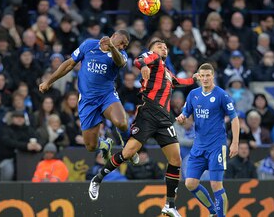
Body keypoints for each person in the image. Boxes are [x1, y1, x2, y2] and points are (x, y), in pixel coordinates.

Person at [89, 39, 197, 217]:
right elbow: (139, 61)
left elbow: (179, 81)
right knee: (128, 152)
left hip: (164, 119)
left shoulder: (167, 71)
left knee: (176, 160)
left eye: (165, 46)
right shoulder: (152, 58)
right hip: (148, 113)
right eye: (159, 45)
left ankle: (170, 205)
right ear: (152, 49)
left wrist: (194, 78)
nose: (164, 47)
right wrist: (144, 65)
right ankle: (98, 178)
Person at [39, 30, 131, 164]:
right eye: (122, 43)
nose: (123, 47)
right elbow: (69, 64)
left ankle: (128, 148)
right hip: (87, 100)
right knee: (91, 146)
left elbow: (120, 63)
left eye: (125, 45)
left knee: (122, 123)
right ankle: (104, 145)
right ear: (114, 36)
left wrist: (112, 47)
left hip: (107, 96)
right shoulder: (89, 45)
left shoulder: (121, 54)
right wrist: (49, 81)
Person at [176, 63, 240, 217]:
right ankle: (213, 212)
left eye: (208, 75)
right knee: (190, 183)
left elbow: (235, 119)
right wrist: (181, 118)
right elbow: (185, 114)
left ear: (213, 76)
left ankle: (221, 216)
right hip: (198, 147)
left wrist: (235, 143)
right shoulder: (193, 94)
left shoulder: (222, 95)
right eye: (202, 75)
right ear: (198, 76)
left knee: (216, 184)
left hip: (217, 146)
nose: (205, 78)